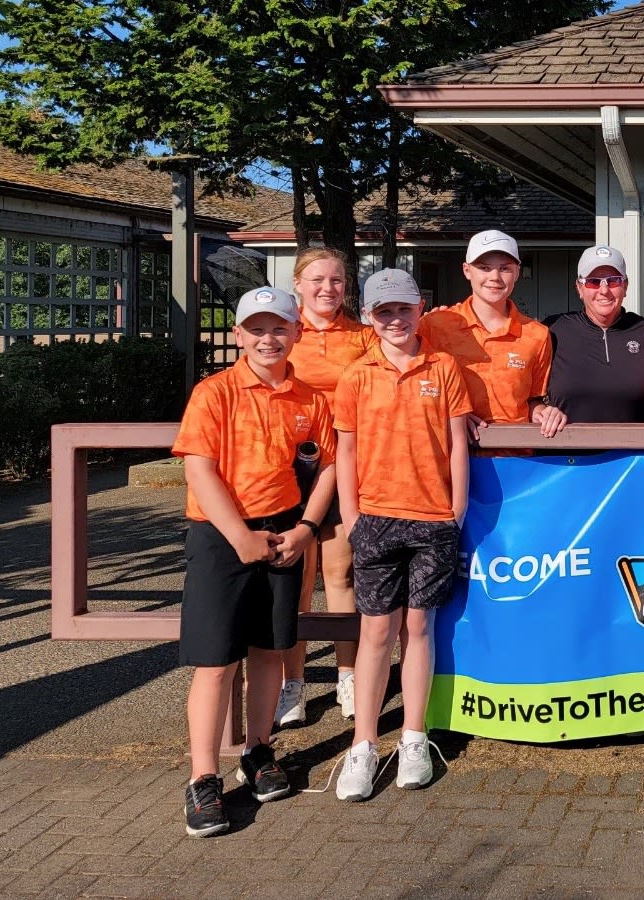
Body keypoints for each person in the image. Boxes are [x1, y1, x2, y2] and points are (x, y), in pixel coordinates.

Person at [172, 286, 336, 837]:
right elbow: (200, 469)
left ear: (296, 333)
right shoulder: (214, 393)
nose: (269, 338)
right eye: (257, 329)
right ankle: (202, 777)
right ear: (239, 335)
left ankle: (260, 749)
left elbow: (328, 467)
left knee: (271, 648)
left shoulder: (311, 398)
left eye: (280, 327)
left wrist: (307, 529)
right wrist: (239, 534)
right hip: (222, 535)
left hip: (285, 530)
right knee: (216, 661)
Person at [332, 268, 474, 800]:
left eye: (403, 309)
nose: (395, 320)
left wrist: (455, 508)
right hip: (375, 517)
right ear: (370, 317)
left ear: (421, 310)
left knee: (419, 626)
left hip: (433, 518)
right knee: (374, 632)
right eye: (383, 311)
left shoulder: (445, 366)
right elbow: (345, 449)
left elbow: (458, 442)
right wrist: (350, 515)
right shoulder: (356, 375)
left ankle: (413, 736)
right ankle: (363, 745)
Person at [276, 247, 374, 728]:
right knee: (294, 578)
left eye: (336, 280)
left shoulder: (363, 335)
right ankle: (290, 683)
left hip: (346, 467)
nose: (327, 288)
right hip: (287, 470)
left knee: (340, 575)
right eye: (317, 279)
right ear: (298, 283)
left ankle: (348, 675)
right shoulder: (281, 331)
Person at [417, 229, 566, 436]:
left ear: (517, 272)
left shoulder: (537, 335)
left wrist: (544, 413)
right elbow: (411, 389)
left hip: (516, 457)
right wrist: (454, 413)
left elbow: (533, 400)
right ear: (467, 270)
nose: (495, 277)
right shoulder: (433, 326)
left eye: (504, 268)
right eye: (484, 268)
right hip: (451, 456)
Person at [542, 245, 644, 422]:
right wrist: (540, 409)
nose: (604, 290)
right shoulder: (553, 330)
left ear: (625, 286)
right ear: (579, 288)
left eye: (613, 281)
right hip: (568, 447)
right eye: (593, 282)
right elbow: (523, 388)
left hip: (634, 448)